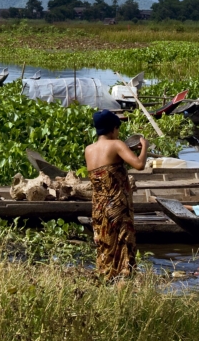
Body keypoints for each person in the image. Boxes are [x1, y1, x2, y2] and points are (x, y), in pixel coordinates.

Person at [84, 110, 147, 280]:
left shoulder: (89, 149)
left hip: (99, 208)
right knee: (123, 245)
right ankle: (122, 283)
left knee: (105, 245)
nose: (118, 133)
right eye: (117, 129)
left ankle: (105, 278)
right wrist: (144, 147)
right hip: (118, 206)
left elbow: (107, 163)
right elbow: (139, 165)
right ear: (113, 129)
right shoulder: (117, 144)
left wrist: (128, 149)